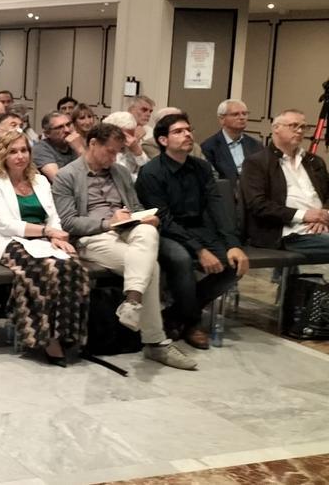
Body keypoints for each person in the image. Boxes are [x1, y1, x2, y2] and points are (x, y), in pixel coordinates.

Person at [53, 123, 197, 370]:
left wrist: (147, 216)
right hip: (94, 237)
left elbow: (136, 206)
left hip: (128, 231)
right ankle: (155, 342)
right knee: (150, 267)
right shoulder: (67, 176)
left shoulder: (119, 172)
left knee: (148, 231)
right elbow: (68, 221)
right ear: (93, 144)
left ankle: (132, 302)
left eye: (118, 152)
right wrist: (108, 223)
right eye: (110, 151)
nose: (114, 157)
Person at [136, 113, 248, 349]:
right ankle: (193, 322)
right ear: (163, 141)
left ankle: (176, 315)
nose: (187, 134)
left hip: (198, 227)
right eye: (178, 131)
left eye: (188, 129)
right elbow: (164, 219)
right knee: (181, 258)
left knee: (235, 264)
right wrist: (199, 251)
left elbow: (217, 207)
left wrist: (232, 243)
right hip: (166, 231)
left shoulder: (201, 167)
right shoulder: (151, 173)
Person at [0, 131, 88, 365]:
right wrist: (47, 232)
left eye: (24, 150)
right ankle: (45, 337)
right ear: (3, 155)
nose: (20, 156)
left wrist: (56, 236)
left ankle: (68, 332)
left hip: (42, 241)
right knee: (46, 269)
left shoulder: (39, 180)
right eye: (13, 151)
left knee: (71, 265)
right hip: (8, 242)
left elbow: (53, 215)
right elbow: (6, 225)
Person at [241, 110, 329, 262]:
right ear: (276, 128)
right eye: (294, 126)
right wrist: (304, 215)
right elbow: (258, 205)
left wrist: (323, 215)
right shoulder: (257, 162)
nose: (300, 131)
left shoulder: (314, 161)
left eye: (303, 127)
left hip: (322, 225)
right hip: (287, 232)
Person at [201, 99, 262, 185]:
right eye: (236, 114)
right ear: (222, 119)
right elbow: (212, 180)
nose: (242, 117)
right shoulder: (209, 147)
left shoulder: (256, 145)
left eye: (245, 114)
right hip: (226, 194)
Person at [33, 111, 84, 181]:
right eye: (60, 127)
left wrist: (80, 148)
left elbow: (94, 173)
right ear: (47, 133)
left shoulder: (76, 142)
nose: (67, 130)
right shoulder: (40, 149)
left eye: (68, 124)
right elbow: (59, 181)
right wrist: (80, 149)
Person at [103, 111, 150, 179]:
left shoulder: (132, 146)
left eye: (131, 135)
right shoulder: (102, 150)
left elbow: (149, 173)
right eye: (124, 136)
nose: (128, 140)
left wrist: (138, 153)